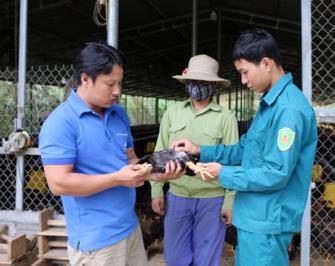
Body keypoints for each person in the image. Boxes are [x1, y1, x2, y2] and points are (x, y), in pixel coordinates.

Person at [172, 29, 318, 266]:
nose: (243, 80)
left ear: (266, 63)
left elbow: (276, 173)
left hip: (267, 221)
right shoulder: (270, 104)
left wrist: (223, 174)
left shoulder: (289, 109)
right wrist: (200, 150)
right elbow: (244, 150)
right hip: (254, 218)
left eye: (245, 72)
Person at [39, 42, 184, 266]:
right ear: (85, 79)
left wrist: (155, 174)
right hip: (96, 242)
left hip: (129, 227)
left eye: (119, 83)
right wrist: (116, 178)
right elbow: (59, 183)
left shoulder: (118, 114)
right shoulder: (61, 123)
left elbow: (131, 161)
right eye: (110, 84)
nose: (117, 91)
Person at [150, 54, 239, 266]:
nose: (198, 86)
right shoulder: (172, 113)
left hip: (212, 198)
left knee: (206, 259)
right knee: (174, 258)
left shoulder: (225, 117)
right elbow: (159, 153)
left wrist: (229, 202)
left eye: (204, 82)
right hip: (178, 195)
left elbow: (233, 160)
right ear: (187, 82)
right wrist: (156, 191)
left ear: (213, 85)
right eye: (194, 81)